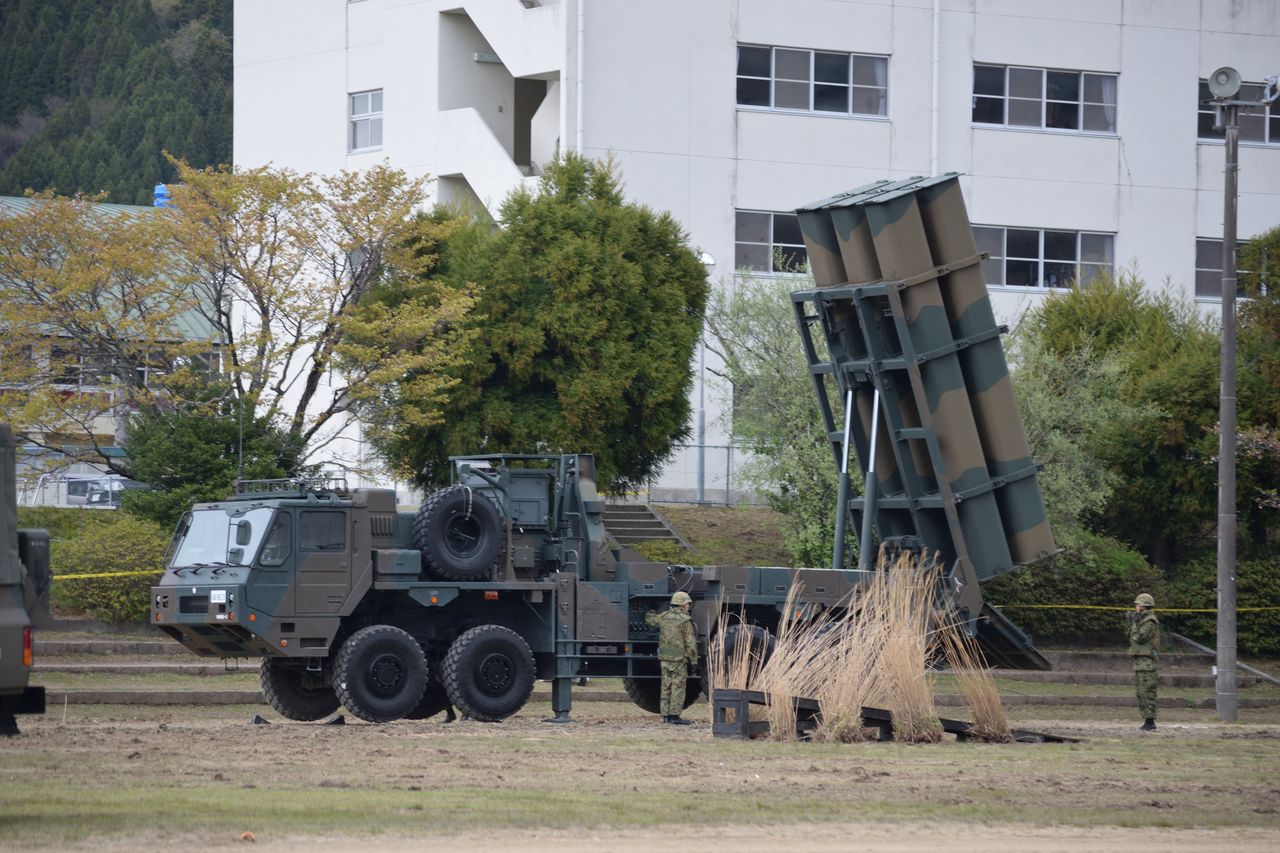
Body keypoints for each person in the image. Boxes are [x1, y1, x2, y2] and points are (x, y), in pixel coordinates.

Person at [645, 590, 699, 725]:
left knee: (666, 686)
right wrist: (694, 661)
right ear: (681, 605)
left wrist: (650, 609)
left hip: (664, 659)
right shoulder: (685, 621)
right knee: (678, 687)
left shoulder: (663, 617)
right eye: (687, 604)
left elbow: (650, 620)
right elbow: (691, 643)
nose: (688, 606)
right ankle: (674, 716)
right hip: (679, 660)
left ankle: (665, 716)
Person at [1128, 592, 1160, 731]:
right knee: (1141, 692)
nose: (1135, 607)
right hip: (1141, 662)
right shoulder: (1142, 620)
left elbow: (1140, 637)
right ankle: (1147, 720)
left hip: (1147, 663)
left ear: (1143, 606)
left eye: (1137, 604)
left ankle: (1150, 721)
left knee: (1147, 692)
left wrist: (1134, 624)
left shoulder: (1150, 622)